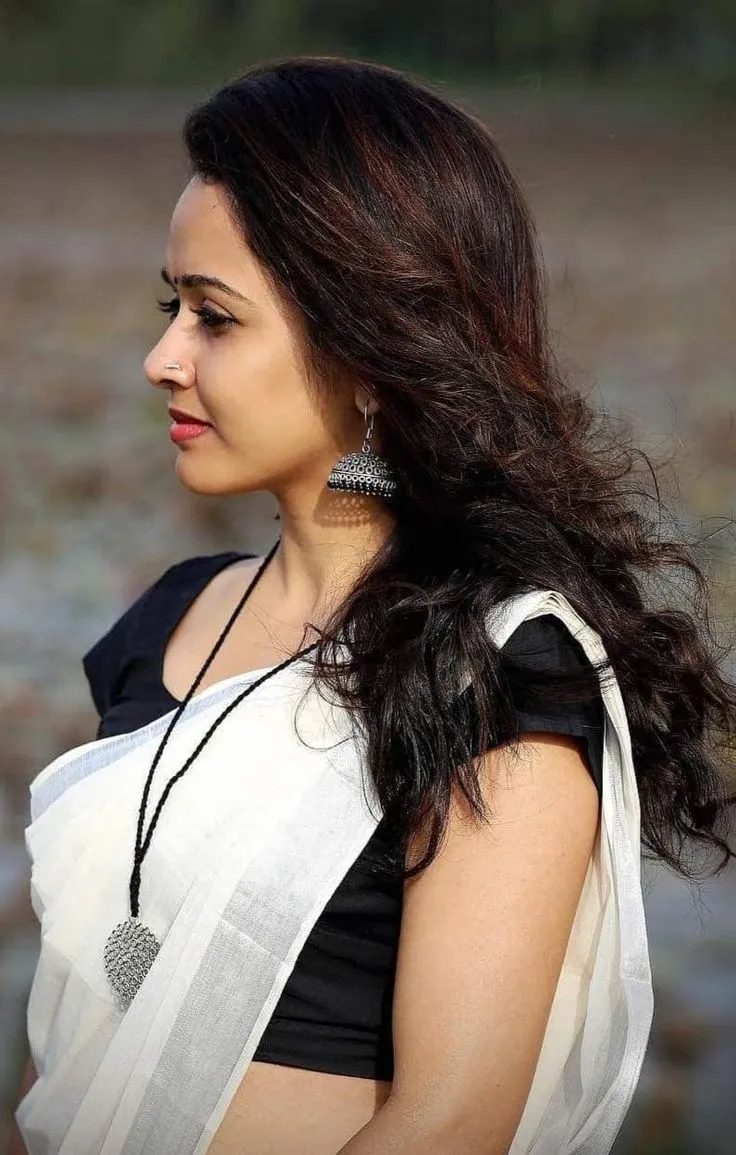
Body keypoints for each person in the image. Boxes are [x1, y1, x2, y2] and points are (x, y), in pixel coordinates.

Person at [10, 56, 736, 1155]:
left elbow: (451, 1120)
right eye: (171, 307)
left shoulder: (495, 674)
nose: (161, 359)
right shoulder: (168, 622)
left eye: (214, 318)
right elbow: (65, 1038)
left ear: (366, 352)